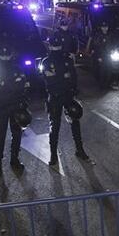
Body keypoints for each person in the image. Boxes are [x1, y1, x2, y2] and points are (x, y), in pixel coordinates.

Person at [41, 36, 89, 165]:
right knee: (55, 126)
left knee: (75, 121)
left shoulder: (66, 60)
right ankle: (53, 155)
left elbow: (73, 77)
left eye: (57, 46)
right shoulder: (46, 62)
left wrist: (72, 88)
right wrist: (64, 79)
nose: (56, 48)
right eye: (54, 46)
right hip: (56, 97)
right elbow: (48, 80)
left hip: (66, 95)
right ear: (50, 46)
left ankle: (79, 149)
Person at [0, 46, 29, 179]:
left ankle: (14, 159)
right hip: (2, 108)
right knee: (0, 136)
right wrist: (13, 85)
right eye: (3, 55)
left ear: (11, 55)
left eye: (7, 55)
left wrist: (5, 86)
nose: (5, 57)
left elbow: (23, 85)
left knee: (16, 134)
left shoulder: (17, 68)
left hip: (14, 107)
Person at [86, 20, 116, 87]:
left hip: (109, 55)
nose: (105, 28)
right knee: (102, 71)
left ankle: (107, 84)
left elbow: (113, 44)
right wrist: (98, 57)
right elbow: (97, 47)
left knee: (109, 70)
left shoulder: (110, 35)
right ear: (101, 28)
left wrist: (113, 50)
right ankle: (101, 84)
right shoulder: (98, 36)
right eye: (103, 27)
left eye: (106, 27)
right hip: (101, 56)